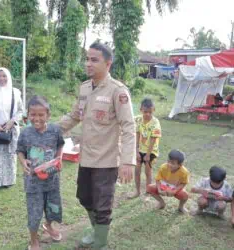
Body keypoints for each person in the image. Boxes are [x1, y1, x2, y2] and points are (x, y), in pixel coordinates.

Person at [58, 42, 136, 250]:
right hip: (86, 156)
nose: (88, 64)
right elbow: (75, 115)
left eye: (94, 60)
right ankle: (96, 230)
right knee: (83, 197)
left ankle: (100, 242)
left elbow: (129, 126)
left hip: (107, 159)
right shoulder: (84, 87)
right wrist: (51, 129)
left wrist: (128, 161)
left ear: (107, 64)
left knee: (103, 205)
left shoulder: (117, 91)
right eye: (87, 59)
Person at [17, 96, 65, 250]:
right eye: (33, 114)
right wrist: (23, 162)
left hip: (52, 180)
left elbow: (60, 145)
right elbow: (20, 151)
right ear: (28, 115)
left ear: (48, 115)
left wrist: (59, 158)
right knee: (35, 212)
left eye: (40, 115)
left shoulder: (55, 130)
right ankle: (34, 240)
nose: (36, 118)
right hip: (33, 183)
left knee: (52, 207)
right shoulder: (25, 133)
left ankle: (49, 226)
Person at [128, 98, 161, 199]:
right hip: (139, 150)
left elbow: (153, 139)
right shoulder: (138, 119)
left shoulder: (155, 122)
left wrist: (147, 155)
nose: (147, 114)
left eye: (150, 112)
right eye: (145, 112)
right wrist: (136, 151)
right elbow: (137, 134)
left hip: (151, 151)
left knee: (148, 172)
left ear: (154, 110)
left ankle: (148, 192)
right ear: (141, 110)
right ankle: (137, 191)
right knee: (137, 171)